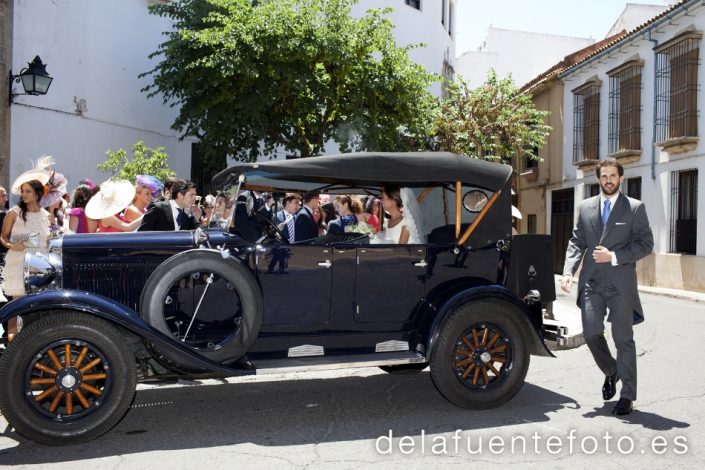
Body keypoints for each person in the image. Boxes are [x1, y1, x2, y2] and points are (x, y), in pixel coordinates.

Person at [560, 159, 653, 416]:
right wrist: (568, 271)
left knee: (624, 339)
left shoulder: (634, 208)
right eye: (604, 176)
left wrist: (613, 256)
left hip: (620, 284)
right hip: (592, 283)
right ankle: (611, 371)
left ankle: (627, 396)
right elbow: (577, 241)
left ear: (621, 179)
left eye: (613, 176)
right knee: (591, 333)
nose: (608, 180)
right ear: (599, 179)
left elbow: (646, 244)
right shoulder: (586, 207)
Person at [1, 180, 51, 340]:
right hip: (17, 262)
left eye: (28, 191)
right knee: (16, 307)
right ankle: (12, 346)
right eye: (23, 191)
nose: (24, 194)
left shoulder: (46, 215)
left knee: (36, 307)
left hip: (40, 265)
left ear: (37, 193)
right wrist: (10, 245)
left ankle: (33, 344)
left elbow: (48, 241)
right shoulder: (14, 212)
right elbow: (3, 237)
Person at [138, 179, 202, 231]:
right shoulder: (158, 208)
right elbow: (142, 234)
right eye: (191, 195)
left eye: (195, 195)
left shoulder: (188, 213)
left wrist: (198, 217)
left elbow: (199, 233)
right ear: (180, 195)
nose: (194, 198)